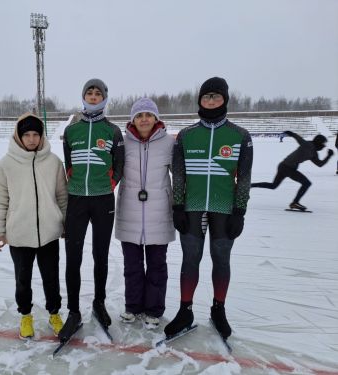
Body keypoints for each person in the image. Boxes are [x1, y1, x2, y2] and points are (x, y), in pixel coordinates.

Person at [164, 77, 253, 340]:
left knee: (221, 259)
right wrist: (177, 206)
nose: (211, 101)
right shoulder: (186, 135)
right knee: (190, 260)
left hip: (224, 209)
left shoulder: (240, 136)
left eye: (216, 96)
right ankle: (185, 310)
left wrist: (240, 211)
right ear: (200, 100)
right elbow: (178, 175)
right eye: (206, 96)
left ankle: (218, 309)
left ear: (225, 99)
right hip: (191, 208)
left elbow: (244, 178)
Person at [0, 113, 68, 339]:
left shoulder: (53, 162)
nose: (31, 139)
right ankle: (25, 316)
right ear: (19, 137)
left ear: (41, 137)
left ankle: (54, 313)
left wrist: (65, 223)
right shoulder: (6, 165)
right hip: (19, 234)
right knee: (22, 280)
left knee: (51, 278)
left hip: (49, 234)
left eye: (36, 134)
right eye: (27, 135)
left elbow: (62, 196)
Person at [58, 78, 125, 341]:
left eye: (98, 93)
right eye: (90, 92)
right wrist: (74, 180)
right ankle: (73, 312)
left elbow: (120, 163)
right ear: (84, 96)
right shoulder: (72, 130)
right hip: (76, 199)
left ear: (105, 98)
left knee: (101, 255)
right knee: (73, 257)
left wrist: (110, 183)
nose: (94, 96)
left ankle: (99, 302)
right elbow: (69, 163)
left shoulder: (112, 131)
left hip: (103, 200)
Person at [115, 98, 176, 329]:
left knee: (157, 266)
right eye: (139, 116)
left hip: (159, 213)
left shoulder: (169, 144)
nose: (144, 119)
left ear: (156, 118)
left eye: (148, 115)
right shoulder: (123, 143)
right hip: (129, 212)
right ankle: (133, 307)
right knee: (132, 266)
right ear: (132, 120)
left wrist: (179, 206)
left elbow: (179, 177)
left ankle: (153, 310)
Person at [251, 131, 333, 210]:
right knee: (306, 183)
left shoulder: (314, 153)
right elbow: (299, 138)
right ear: (319, 142)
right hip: (287, 168)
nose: (324, 146)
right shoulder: (307, 145)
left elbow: (319, 164)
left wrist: (328, 156)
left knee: (274, 185)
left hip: (284, 166)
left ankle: (250, 185)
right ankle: (295, 203)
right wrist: (291, 134)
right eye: (323, 144)